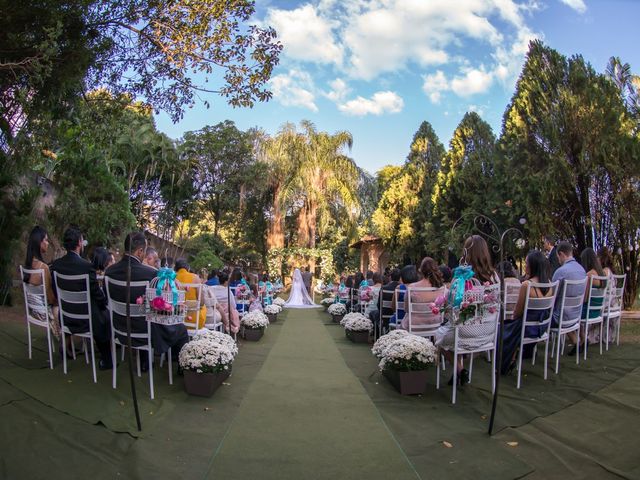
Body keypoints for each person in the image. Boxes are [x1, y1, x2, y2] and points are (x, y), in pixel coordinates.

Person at [105, 232, 188, 371]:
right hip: (146, 332)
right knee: (180, 328)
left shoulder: (109, 272)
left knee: (145, 314)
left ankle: (145, 362)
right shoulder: (150, 273)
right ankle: (181, 367)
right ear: (140, 251)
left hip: (119, 329)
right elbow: (163, 303)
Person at [51, 226, 113, 369]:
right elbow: (97, 294)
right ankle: (106, 359)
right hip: (86, 320)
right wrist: (104, 302)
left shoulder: (56, 265)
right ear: (79, 243)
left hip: (65, 316)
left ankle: (68, 344)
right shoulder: (87, 267)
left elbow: (56, 291)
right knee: (104, 314)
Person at [500, 251, 554, 374]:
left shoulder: (527, 285)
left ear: (532, 266)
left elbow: (517, 313)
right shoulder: (550, 284)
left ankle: (506, 362)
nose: (525, 266)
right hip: (541, 327)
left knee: (502, 329)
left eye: (527, 263)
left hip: (527, 329)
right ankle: (517, 354)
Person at [550, 241, 586, 354]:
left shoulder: (561, 272)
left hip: (560, 319)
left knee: (535, 315)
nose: (558, 260)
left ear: (561, 254)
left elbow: (552, 297)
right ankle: (577, 341)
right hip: (576, 317)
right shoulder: (582, 270)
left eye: (558, 257)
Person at [23, 226, 59, 338]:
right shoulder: (43, 267)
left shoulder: (28, 265)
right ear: (40, 242)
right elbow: (50, 297)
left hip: (33, 310)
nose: (47, 243)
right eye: (46, 240)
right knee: (61, 307)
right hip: (43, 313)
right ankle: (65, 344)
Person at [401, 258, 446, 330]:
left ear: (421, 270)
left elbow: (406, 309)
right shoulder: (442, 288)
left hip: (414, 325)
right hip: (435, 324)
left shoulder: (412, 287)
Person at [580, 247, 607, 348]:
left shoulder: (589, 275)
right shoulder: (602, 273)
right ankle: (581, 339)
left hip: (588, 312)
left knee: (570, 313)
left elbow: (585, 299)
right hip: (597, 311)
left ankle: (581, 340)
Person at [174, 258, 207, 330]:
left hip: (175, 319)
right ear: (188, 268)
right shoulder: (195, 277)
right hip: (193, 320)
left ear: (175, 268)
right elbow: (201, 302)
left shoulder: (172, 278)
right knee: (203, 306)